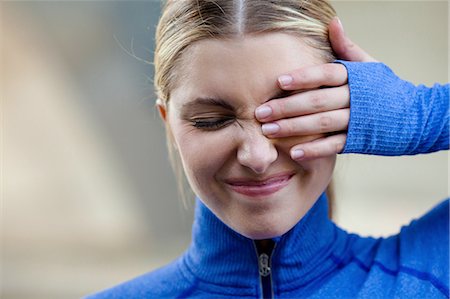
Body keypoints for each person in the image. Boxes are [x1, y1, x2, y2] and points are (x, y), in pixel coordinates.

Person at [87, 0, 449, 298]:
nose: (257, 157)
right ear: (168, 122)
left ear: (347, 112)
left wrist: (421, 116)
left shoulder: (430, 275)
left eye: (296, 112)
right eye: (212, 119)